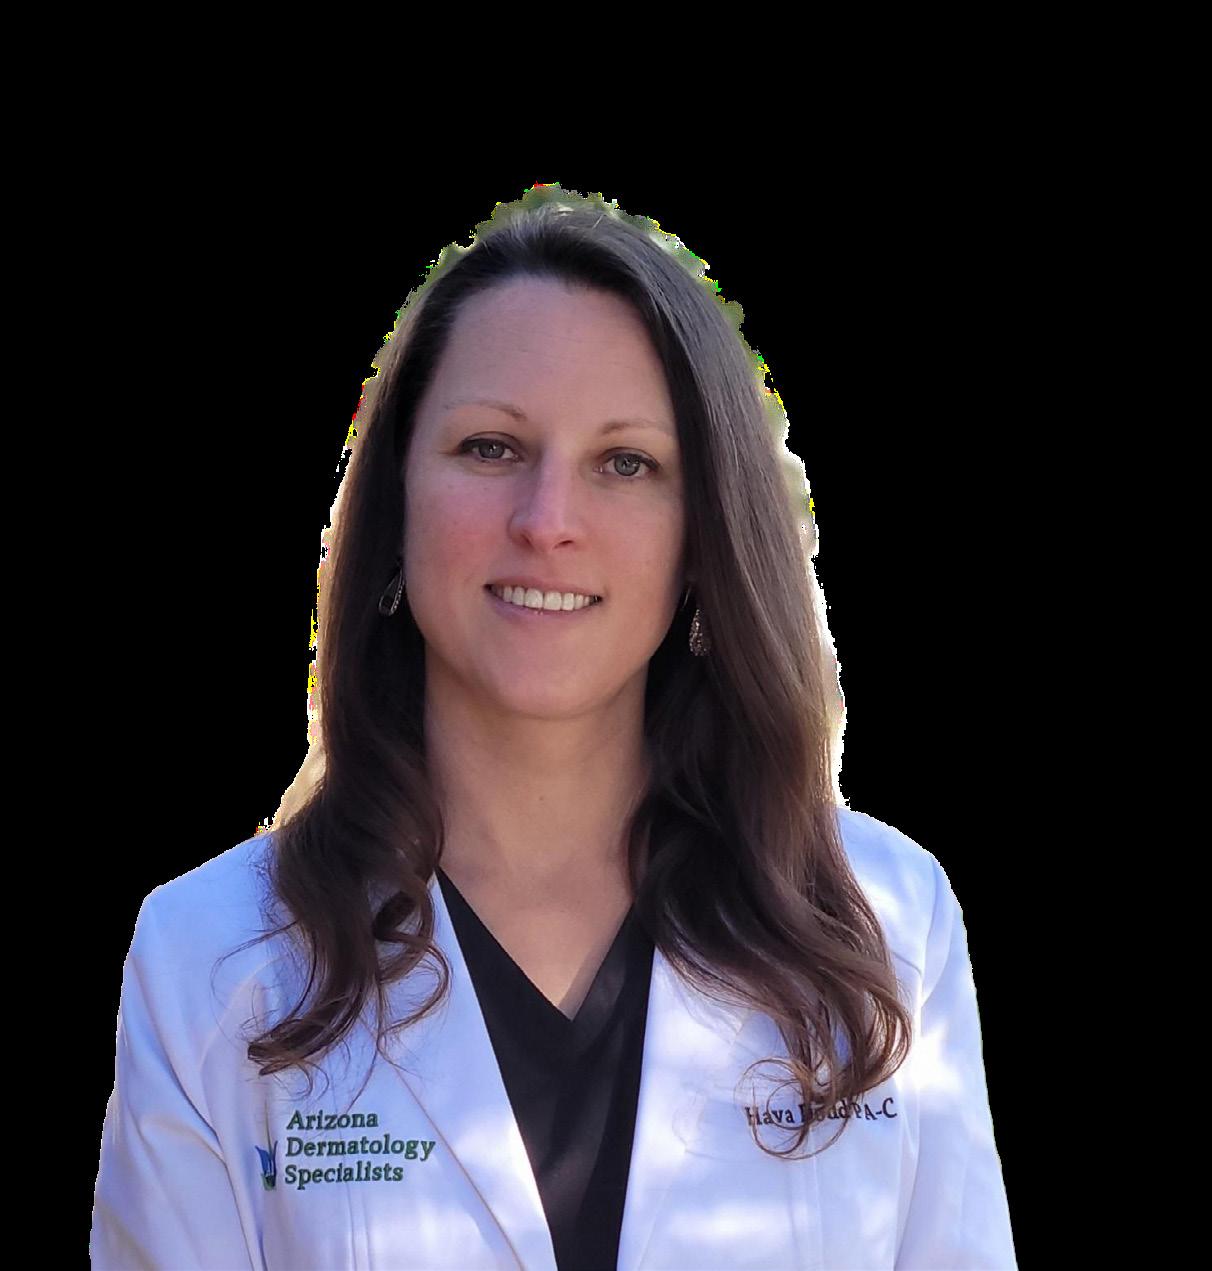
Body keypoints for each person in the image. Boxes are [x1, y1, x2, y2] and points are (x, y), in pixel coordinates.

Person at [90, 187, 1017, 1269]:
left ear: (702, 536)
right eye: (490, 447)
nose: (547, 521)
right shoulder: (208, 958)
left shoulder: (888, 928)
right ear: (395, 507)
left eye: (626, 463)